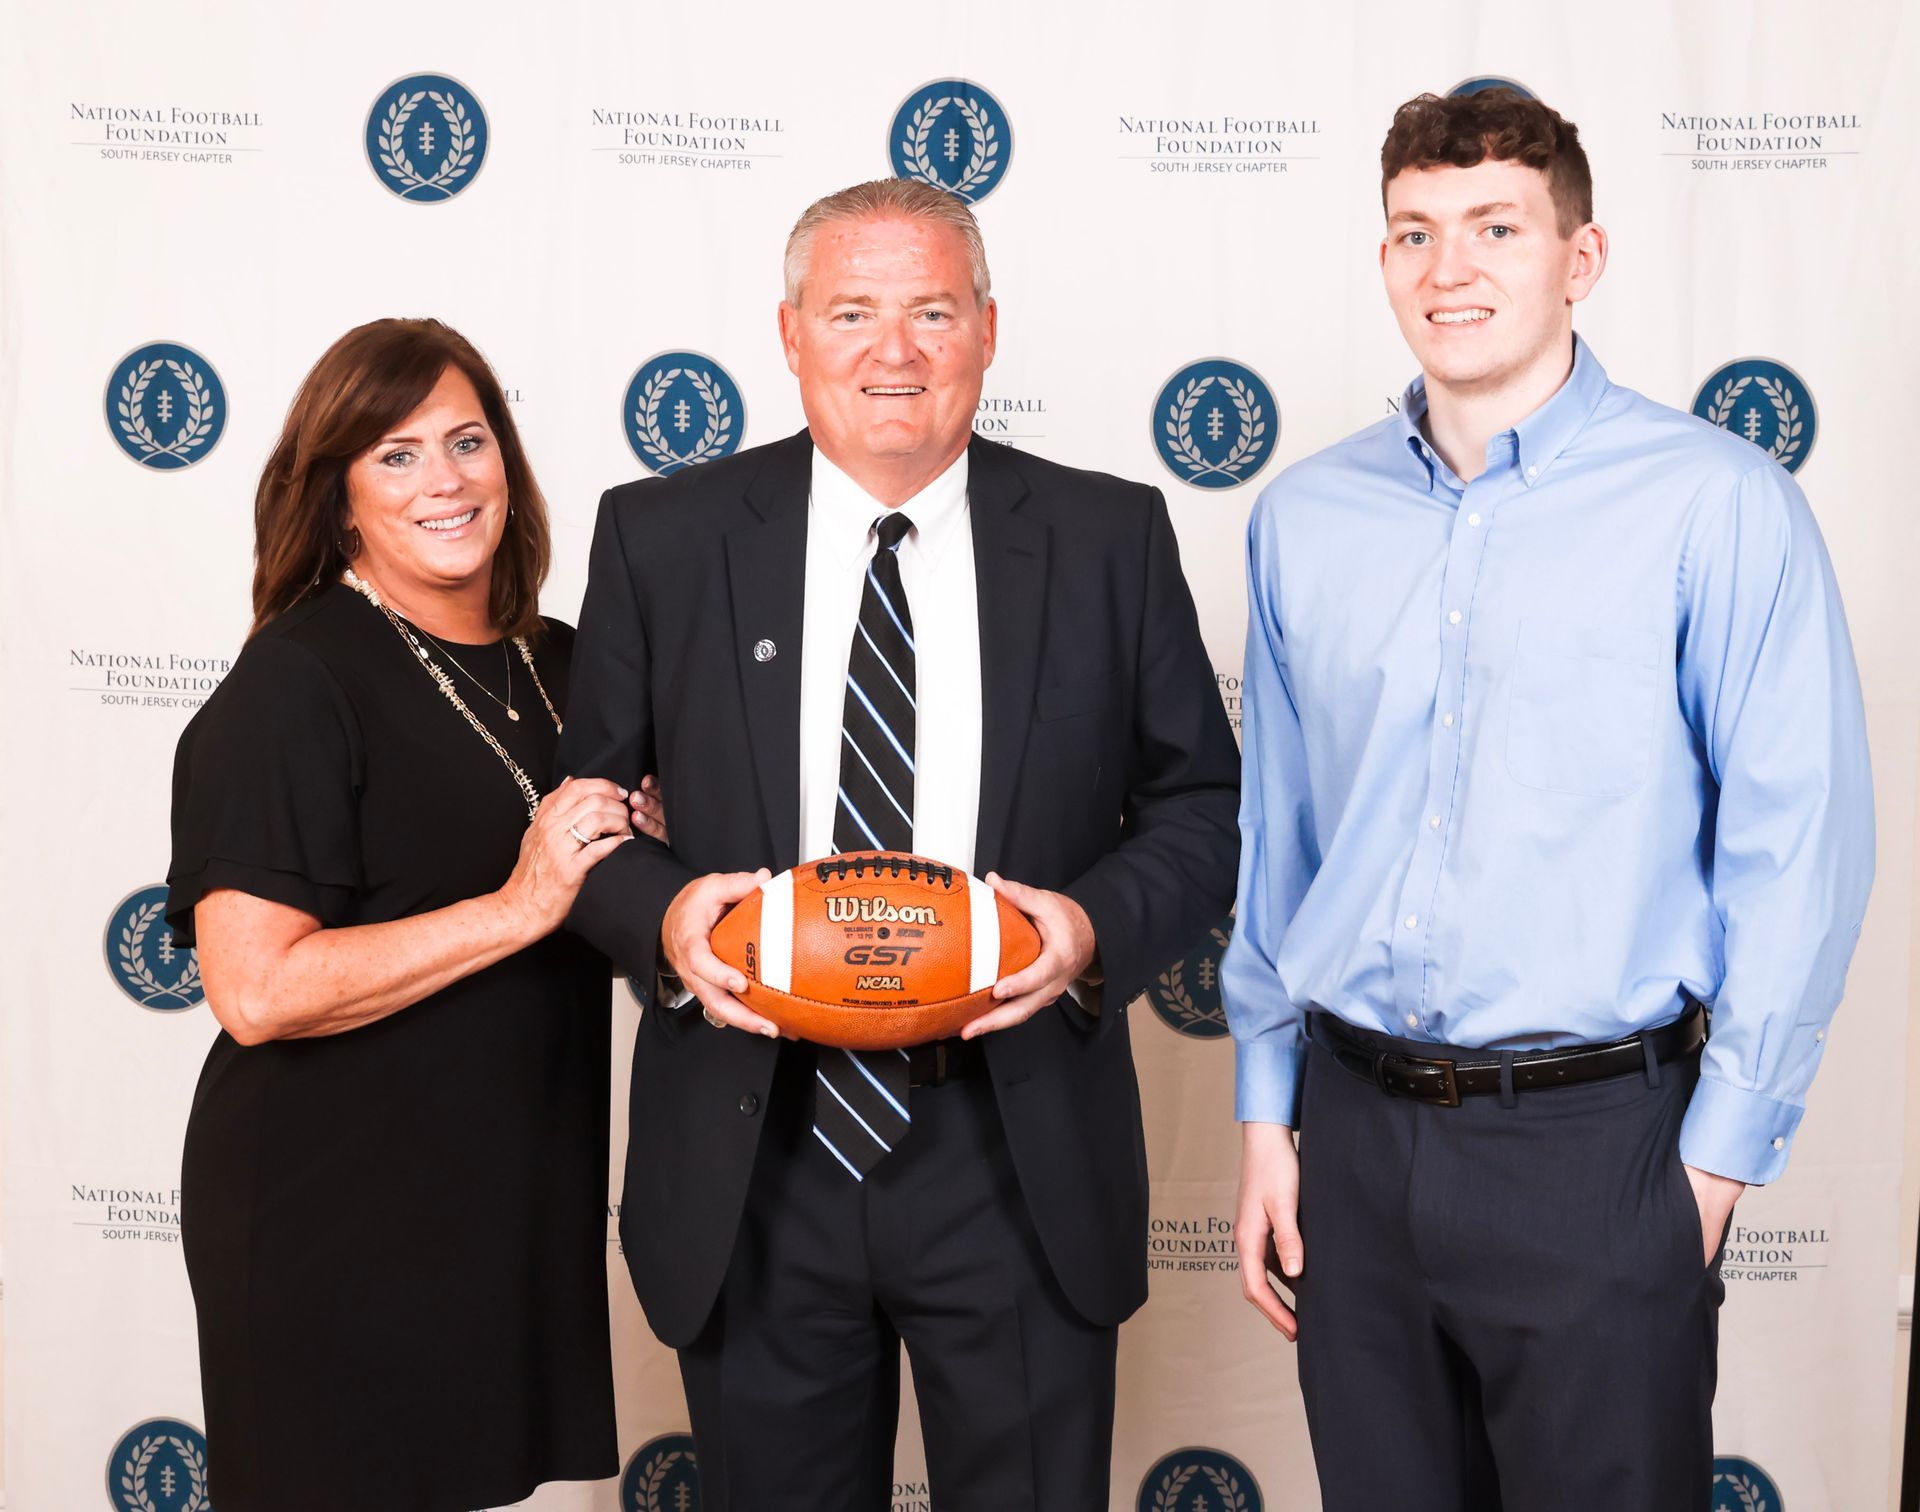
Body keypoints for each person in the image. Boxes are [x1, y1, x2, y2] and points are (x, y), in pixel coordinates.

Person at [1221, 88, 1874, 1509]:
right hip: (1353, 1135)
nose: (1448, 268)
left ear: (1580, 257)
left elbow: (1799, 852)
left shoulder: (1719, 504)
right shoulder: (1304, 517)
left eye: (1496, 228)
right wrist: (1269, 1118)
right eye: (1414, 233)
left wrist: (1704, 1178)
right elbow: (1282, 844)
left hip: (1601, 1153)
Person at [559, 178, 1240, 1508]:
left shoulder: (1109, 536)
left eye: (933, 310)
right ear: (790, 332)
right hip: (759, 1158)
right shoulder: (664, 537)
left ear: (988, 329)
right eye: (854, 311)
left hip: (1016, 1148)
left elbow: (1203, 811)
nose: (896, 349)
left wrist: (1091, 928)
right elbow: (584, 824)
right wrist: (667, 919)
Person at [166, 318, 654, 1512]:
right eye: (394, 455)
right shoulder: (297, 679)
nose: (444, 480)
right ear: (337, 502)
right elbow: (257, 990)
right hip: (331, 1206)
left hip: (501, 1193)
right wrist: (520, 903)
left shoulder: (568, 663)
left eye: (467, 441)